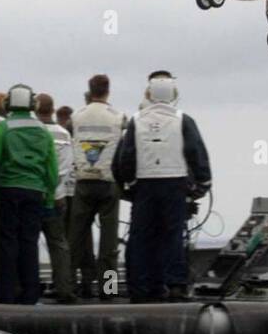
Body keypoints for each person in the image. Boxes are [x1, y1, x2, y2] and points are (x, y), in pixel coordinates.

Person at [112, 73, 211, 302]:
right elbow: (196, 153)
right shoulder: (183, 119)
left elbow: (125, 157)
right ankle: (175, 285)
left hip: (145, 184)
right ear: (174, 94)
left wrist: (128, 185)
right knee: (173, 235)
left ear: (148, 94)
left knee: (140, 237)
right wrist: (202, 184)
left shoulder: (136, 120)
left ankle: (140, 288)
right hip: (174, 183)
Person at [0, 84, 57, 304]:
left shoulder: (3, 129)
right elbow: (52, 170)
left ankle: (6, 293)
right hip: (35, 192)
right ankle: (30, 295)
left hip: (7, 190)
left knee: (7, 243)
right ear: (33, 104)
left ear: (8, 104)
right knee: (29, 243)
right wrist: (49, 199)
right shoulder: (43, 131)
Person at [69, 74, 128, 299]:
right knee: (109, 244)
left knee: (75, 239)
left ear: (89, 89)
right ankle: (108, 290)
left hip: (83, 183)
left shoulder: (76, 117)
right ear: (108, 91)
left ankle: (72, 287)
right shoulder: (118, 117)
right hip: (109, 183)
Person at [36, 93, 76, 303]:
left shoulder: (34, 132)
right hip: (57, 196)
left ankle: (28, 289)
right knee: (59, 244)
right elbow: (66, 167)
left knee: (27, 242)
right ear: (52, 110)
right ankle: (65, 288)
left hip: (32, 194)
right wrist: (54, 189)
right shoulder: (63, 134)